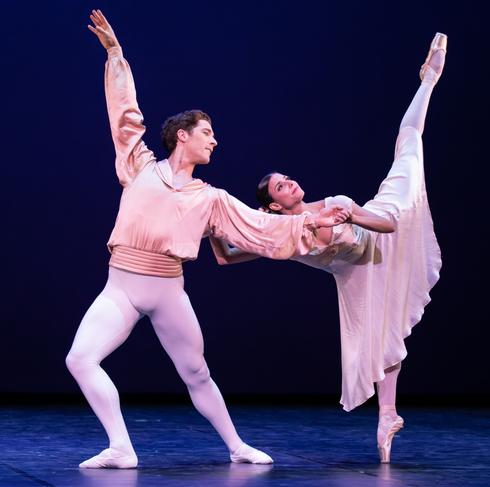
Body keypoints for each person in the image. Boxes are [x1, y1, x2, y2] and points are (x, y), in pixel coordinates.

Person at [65, 9, 349, 469]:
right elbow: (124, 116)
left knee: (196, 372)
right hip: (120, 285)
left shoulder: (211, 198)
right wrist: (116, 56)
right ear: (183, 136)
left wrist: (307, 223)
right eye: (207, 134)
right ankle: (121, 447)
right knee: (80, 359)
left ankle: (237, 446)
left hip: (166, 289)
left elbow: (259, 228)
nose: (214, 142)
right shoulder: (139, 165)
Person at [210, 33, 447, 463]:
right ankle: (387, 416)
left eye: (288, 177)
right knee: (383, 337)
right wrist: (211, 221)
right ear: (272, 205)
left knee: (408, 144)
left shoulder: (335, 205)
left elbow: (390, 224)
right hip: (356, 275)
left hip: (378, 229)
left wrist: (353, 215)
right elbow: (225, 257)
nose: (291, 183)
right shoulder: (278, 233)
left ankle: (427, 80)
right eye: (282, 186)